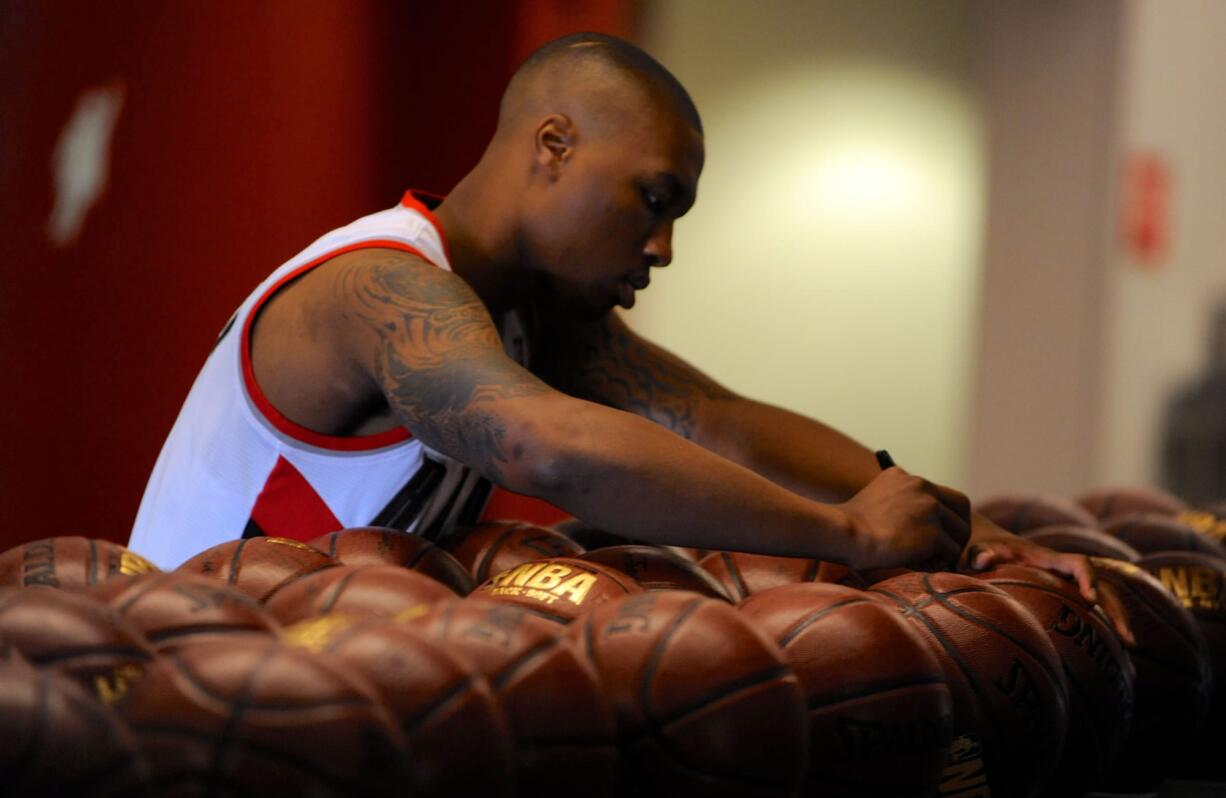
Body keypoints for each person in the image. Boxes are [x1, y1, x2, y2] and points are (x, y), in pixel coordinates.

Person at [129, 32, 1129, 641]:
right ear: (553, 146)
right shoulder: (379, 288)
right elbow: (541, 445)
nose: (660, 247)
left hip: (313, 692)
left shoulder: (524, 311)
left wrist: (978, 541)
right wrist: (849, 536)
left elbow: (716, 424)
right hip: (169, 699)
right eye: (652, 200)